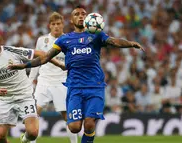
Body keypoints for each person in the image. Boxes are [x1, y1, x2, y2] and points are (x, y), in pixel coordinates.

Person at [8, 5, 144, 143]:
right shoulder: (64, 40)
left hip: (94, 86)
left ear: (87, 18)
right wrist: (24, 66)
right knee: (74, 127)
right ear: (71, 20)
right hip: (74, 88)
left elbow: (114, 41)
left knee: (89, 123)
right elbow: (45, 57)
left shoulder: (96, 35)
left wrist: (130, 44)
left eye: (83, 14)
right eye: (77, 14)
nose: (80, 16)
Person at [0, 27, 63, 143]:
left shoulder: (12, 51)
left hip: (24, 96)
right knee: (0, 137)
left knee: (33, 133)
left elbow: (43, 54)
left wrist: (60, 65)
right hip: (5, 99)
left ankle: (24, 139)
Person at [29, 12, 78, 143]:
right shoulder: (42, 40)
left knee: (67, 117)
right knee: (34, 113)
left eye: (58, 24)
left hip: (62, 82)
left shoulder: (69, 40)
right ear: (49, 26)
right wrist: (29, 81)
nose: (56, 26)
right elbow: (37, 62)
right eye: (53, 24)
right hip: (44, 80)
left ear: (63, 25)